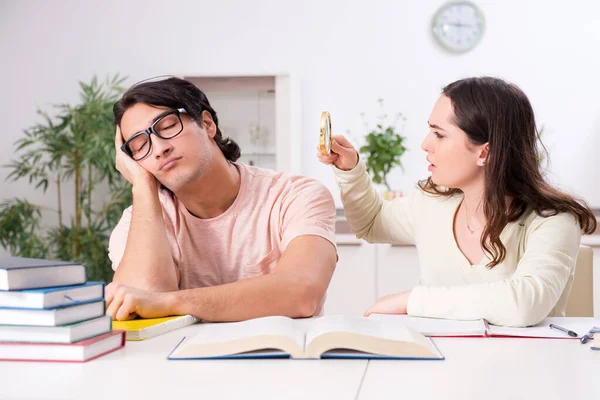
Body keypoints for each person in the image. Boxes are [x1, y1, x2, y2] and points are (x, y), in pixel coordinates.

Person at [318, 76, 596, 327]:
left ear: (484, 153)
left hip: (529, 373)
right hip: (442, 366)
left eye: (439, 134)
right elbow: (371, 223)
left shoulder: (552, 220)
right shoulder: (432, 204)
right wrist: (350, 169)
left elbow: (524, 304)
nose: (425, 144)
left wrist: (410, 301)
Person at [106, 77, 337, 321]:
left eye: (167, 127)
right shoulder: (139, 220)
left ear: (207, 124)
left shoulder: (296, 196)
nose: (158, 149)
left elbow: (301, 294)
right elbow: (138, 310)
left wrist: (169, 301)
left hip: (283, 356)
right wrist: (143, 186)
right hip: (181, 357)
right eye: (140, 145)